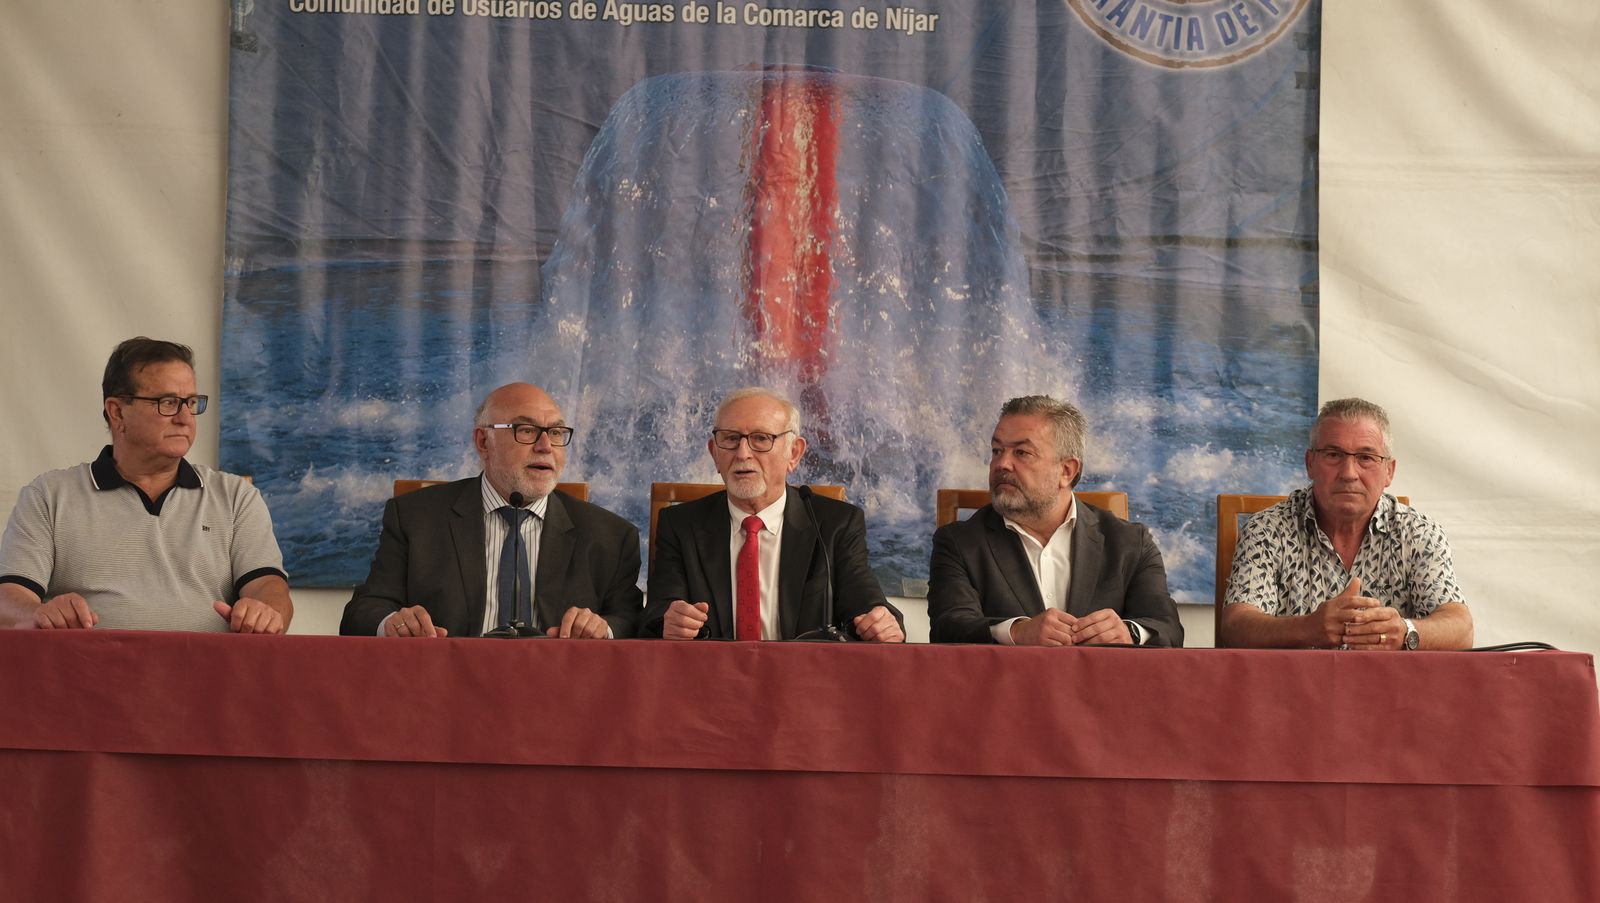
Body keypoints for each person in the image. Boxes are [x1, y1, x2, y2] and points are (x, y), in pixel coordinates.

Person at [0, 337, 292, 633]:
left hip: (208, 676)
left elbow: (270, 587)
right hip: (86, 675)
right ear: (117, 412)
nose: (185, 418)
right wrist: (40, 613)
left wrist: (266, 611)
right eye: (167, 403)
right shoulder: (49, 496)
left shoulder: (235, 497)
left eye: (191, 402)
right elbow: (7, 601)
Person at [340, 382, 642, 639]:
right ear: (483, 442)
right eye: (526, 430)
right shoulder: (415, 518)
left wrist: (604, 629)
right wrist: (392, 624)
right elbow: (363, 612)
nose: (546, 446)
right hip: (445, 688)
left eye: (557, 432)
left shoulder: (611, 536)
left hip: (560, 694)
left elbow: (633, 623)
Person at [642, 387, 904, 642]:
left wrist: (882, 623)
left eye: (761, 439)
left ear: (794, 453)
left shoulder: (836, 524)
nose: (743, 453)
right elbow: (657, 612)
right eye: (731, 439)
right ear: (714, 453)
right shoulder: (681, 525)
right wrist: (670, 622)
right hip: (713, 679)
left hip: (805, 679)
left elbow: (867, 605)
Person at [1219, 397, 1472, 650]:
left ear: (1389, 472)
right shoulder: (1267, 530)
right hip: (1291, 687)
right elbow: (1235, 627)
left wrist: (1406, 632)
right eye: (1333, 455)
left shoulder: (1419, 534)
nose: (1349, 473)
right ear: (1310, 464)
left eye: (1366, 457)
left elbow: (1461, 631)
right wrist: (1307, 628)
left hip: (1389, 687)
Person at [927, 395, 1182, 646]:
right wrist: (1016, 632)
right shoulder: (959, 543)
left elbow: (1167, 628)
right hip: (1006, 686)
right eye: (997, 450)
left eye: (1022, 452)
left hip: (1099, 686)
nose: (1002, 464)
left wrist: (1130, 633)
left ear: (1067, 471)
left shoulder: (1131, 543)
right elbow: (947, 628)